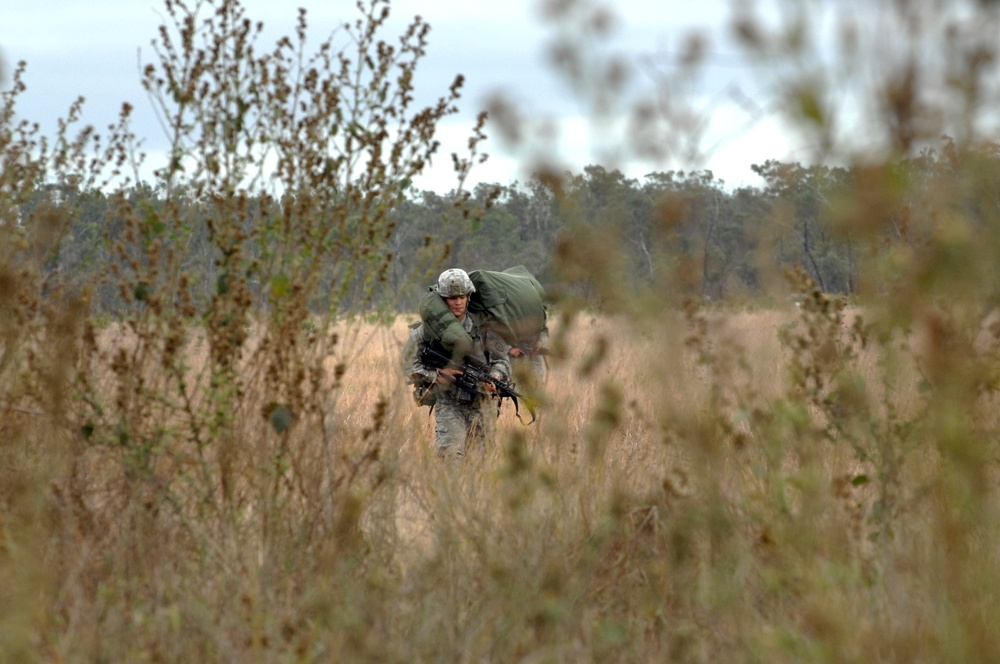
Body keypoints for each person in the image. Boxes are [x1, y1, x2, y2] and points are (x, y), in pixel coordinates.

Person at [404, 268, 512, 461]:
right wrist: (436, 375)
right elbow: (407, 366)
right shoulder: (427, 332)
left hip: (483, 405)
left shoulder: (484, 328)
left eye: (462, 296)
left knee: (480, 466)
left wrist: (495, 377)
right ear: (443, 299)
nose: (458, 302)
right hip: (450, 403)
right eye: (452, 298)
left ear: (469, 297)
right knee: (449, 458)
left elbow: (502, 361)